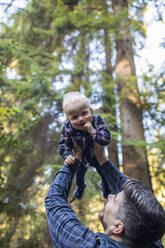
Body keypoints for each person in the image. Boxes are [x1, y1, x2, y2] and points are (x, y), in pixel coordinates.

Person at [45, 140, 165, 248]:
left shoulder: (86, 245)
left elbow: (54, 200)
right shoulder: (150, 237)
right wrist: (101, 158)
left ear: (117, 226)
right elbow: (144, 213)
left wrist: (74, 159)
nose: (110, 195)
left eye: (115, 198)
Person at [58, 91, 111, 201]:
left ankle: (106, 190)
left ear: (91, 111)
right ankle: (81, 187)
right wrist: (67, 156)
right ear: (68, 119)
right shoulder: (67, 128)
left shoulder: (98, 121)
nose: (80, 119)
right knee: (79, 176)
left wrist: (93, 131)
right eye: (74, 117)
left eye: (84, 113)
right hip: (81, 157)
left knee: (105, 174)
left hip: (96, 155)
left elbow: (106, 139)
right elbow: (64, 144)